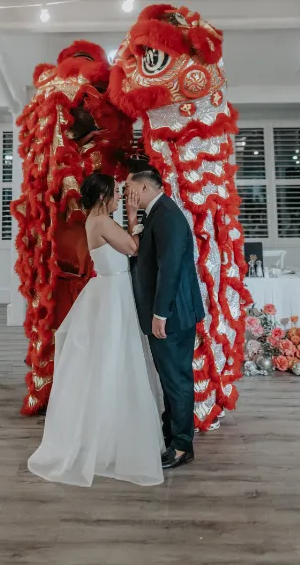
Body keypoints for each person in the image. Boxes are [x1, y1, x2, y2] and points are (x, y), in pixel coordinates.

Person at [28, 173, 164, 487]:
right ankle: (112, 441)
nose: (121, 198)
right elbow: (132, 247)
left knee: (110, 362)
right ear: (103, 197)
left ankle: (109, 436)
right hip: (113, 295)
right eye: (117, 194)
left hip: (110, 292)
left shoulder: (96, 220)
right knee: (116, 362)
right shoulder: (102, 222)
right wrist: (133, 218)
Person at [125, 162, 205, 471]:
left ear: (144, 187)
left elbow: (169, 269)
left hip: (172, 313)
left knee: (176, 379)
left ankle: (182, 445)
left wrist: (160, 313)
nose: (127, 194)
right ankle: (173, 437)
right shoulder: (158, 213)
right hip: (169, 311)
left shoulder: (168, 216)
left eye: (129, 189)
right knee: (171, 378)